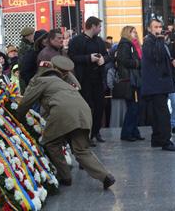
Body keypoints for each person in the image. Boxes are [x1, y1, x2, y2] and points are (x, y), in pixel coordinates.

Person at [16, 56, 115, 189]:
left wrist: (16, 118)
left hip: (62, 113)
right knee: (81, 150)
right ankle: (105, 176)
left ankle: (65, 177)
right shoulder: (64, 81)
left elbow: (25, 102)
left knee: (51, 142)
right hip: (84, 112)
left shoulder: (41, 80)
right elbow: (77, 87)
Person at [141, 19, 175, 151]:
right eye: (156, 27)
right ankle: (165, 141)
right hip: (156, 84)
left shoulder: (156, 41)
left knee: (157, 113)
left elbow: (161, 58)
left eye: (160, 27)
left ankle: (157, 139)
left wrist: (171, 61)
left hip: (159, 83)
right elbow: (156, 56)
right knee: (163, 114)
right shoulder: (150, 41)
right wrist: (160, 40)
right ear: (149, 29)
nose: (159, 29)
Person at [68, 17, 109, 145]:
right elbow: (72, 57)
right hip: (84, 79)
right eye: (99, 27)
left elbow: (107, 55)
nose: (100, 29)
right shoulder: (76, 41)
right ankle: (87, 134)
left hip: (98, 78)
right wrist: (88, 58)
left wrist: (104, 59)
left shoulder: (99, 41)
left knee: (99, 106)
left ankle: (96, 131)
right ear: (92, 26)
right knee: (86, 108)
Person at [115, 26, 144, 142]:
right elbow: (124, 61)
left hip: (135, 79)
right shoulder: (125, 45)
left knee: (135, 107)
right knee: (133, 107)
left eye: (136, 32)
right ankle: (127, 133)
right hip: (130, 80)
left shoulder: (133, 45)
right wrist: (138, 63)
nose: (135, 34)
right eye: (133, 32)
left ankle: (133, 131)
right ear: (127, 33)